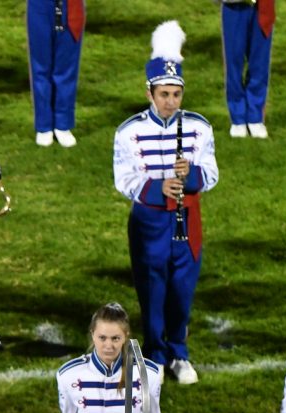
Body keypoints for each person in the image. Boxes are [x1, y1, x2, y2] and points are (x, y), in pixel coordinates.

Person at [113, 21, 218, 385]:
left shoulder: (200, 127)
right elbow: (123, 180)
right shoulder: (128, 132)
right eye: (164, 94)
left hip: (188, 219)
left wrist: (189, 177)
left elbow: (213, 175)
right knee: (152, 287)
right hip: (149, 221)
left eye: (176, 94)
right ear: (149, 93)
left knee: (182, 288)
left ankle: (180, 352)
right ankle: (157, 354)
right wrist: (161, 187)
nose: (170, 101)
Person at [26, 0, 86, 148]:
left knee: (67, 68)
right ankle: (44, 125)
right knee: (40, 66)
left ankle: (63, 124)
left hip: (71, 5)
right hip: (40, 5)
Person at [220, 0, 275, 139]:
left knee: (260, 63)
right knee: (234, 63)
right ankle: (238, 118)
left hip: (262, 6)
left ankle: (255, 117)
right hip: (234, 6)